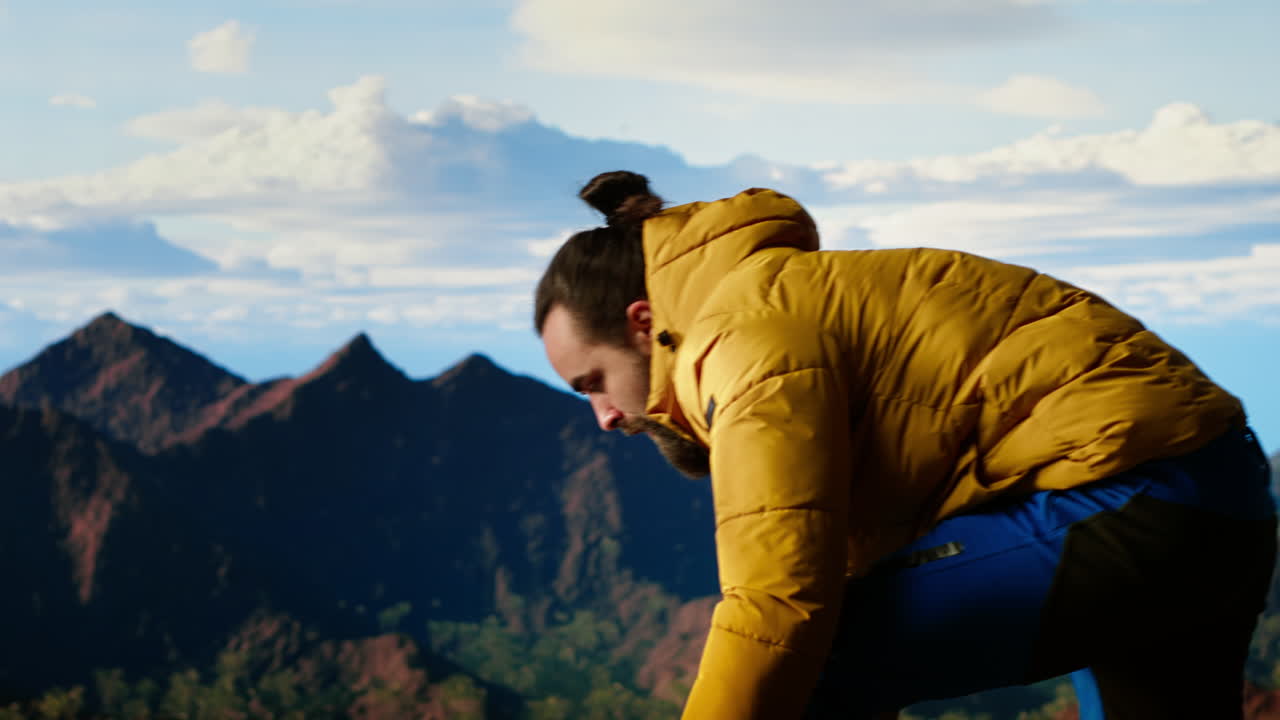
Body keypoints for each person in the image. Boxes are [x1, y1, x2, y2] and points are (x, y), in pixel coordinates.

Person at [533, 170, 1277, 719]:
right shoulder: (779, 295)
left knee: (808, 670)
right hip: (1219, 497)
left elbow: (780, 601)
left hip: (1138, 502)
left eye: (591, 382)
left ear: (640, 323)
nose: (602, 415)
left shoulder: (739, 340)